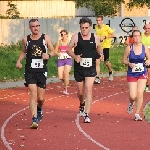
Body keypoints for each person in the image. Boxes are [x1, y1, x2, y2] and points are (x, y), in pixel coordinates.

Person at [16, 19, 55, 129]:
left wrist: (48, 55)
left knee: (41, 98)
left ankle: (39, 109)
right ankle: (34, 119)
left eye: (37, 25)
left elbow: (53, 51)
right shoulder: (26, 40)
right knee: (33, 93)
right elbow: (24, 51)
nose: (36, 28)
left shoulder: (45, 38)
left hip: (42, 71)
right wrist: (19, 61)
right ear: (30, 28)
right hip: (30, 70)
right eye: (33, 26)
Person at [67, 17, 103, 123]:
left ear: (90, 27)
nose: (84, 30)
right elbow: (68, 49)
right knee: (81, 92)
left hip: (90, 67)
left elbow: (99, 47)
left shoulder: (95, 37)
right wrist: (75, 56)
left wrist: (101, 53)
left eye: (86, 28)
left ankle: (87, 114)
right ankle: (81, 104)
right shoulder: (75, 37)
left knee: (88, 89)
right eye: (82, 28)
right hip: (79, 68)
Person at [122, 30, 150, 121]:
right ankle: (131, 103)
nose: (137, 38)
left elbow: (149, 59)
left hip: (142, 72)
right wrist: (129, 63)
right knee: (133, 96)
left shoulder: (145, 48)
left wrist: (148, 61)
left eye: (138, 36)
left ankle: (137, 113)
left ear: (141, 37)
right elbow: (123, 60)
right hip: (132, 73)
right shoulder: (129, 48)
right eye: (135, 36)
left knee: (140, 93)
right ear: (132, 38)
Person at [94, 15, 114, 84]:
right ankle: (97, 77)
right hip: (99, 46)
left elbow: (112, 35)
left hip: (106, 46)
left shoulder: (106, 27)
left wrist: (105, 37)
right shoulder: (96, 27)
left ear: (102, 21)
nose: (98, 22)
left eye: (99, 20)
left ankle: (110, 72)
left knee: (106, 62)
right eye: (97, 20)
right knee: (97, 61)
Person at [55, 30, 72, 95]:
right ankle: (66, 81)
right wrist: (58, 54)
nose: (63, 36)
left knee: (66, 74)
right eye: (62, 35)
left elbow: (73, 51)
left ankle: (65, 89)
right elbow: (55, 51)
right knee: (60, 77)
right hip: (61, 60)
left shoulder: (70, 43)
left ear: (67, 35)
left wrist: (69, 53)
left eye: (64, 34)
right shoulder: (59, 42)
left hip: (68, 59)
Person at [141, 24, 150, 92]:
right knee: (142, 72)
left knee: (149, 72)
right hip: (141, 57)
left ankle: (147, 86)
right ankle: (141, 85)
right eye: (146, 28)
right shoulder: (141, 35)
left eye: (148, 28)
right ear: (144, 28)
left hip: (149, 57)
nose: (147, 30)